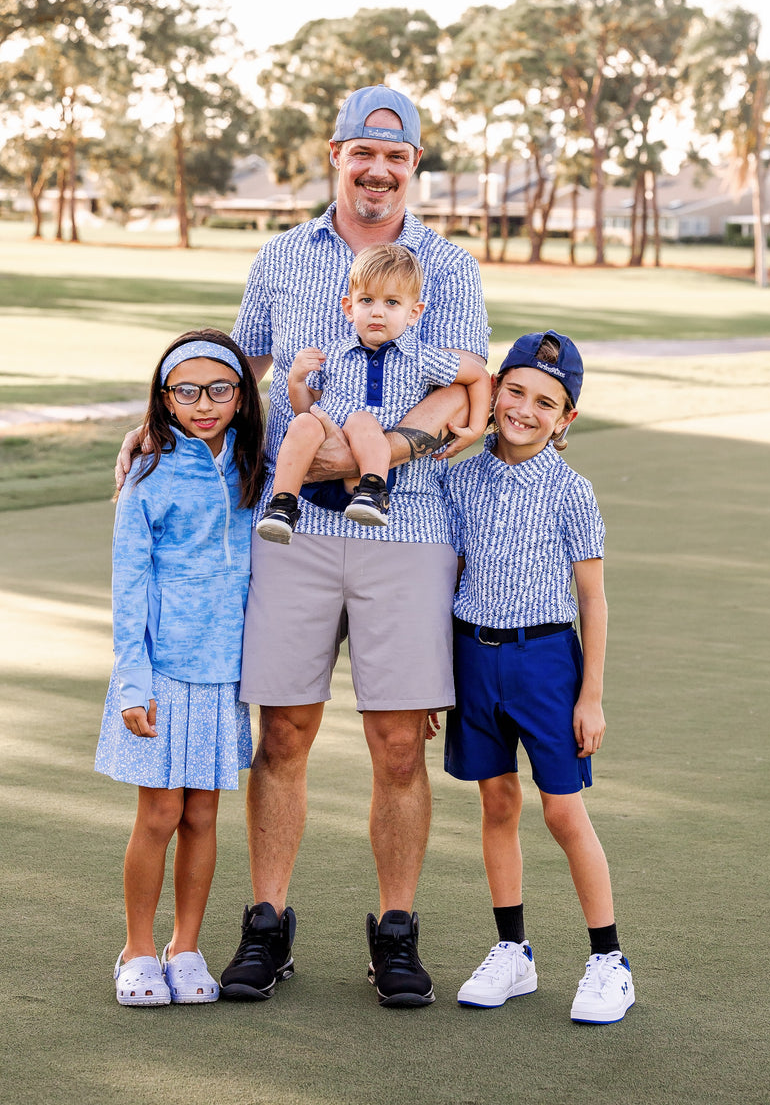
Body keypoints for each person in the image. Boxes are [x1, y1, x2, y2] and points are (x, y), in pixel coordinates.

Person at [114, 85, 489, 1008]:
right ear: (335, 154)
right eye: (364, 153)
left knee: (399, 744)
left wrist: (381, 454)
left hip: (404, 527)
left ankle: (394, 933)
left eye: (397, 159)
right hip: (288, 530)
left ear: (413, 167)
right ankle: (267, 927)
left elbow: (463, 400)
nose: (379, 170)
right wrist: (150, 423)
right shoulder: (284, 256)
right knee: (282, 732)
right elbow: (236, 369)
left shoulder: (448, 265)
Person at [444, 330, 635, 1023]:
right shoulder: (456, 476)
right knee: (497, 803)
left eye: (545, 402)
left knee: (561, 810)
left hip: (548, 664)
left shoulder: (570, 491)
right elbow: (451, 576)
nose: (524, 409)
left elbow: (593, 599)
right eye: (515, 391)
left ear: (566, 418)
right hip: (473, 658)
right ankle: (513, 953)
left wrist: (591, 696)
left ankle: (609, 960)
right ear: (494, 390)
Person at [97, 329, 265, 1007]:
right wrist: (133, 680)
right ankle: (138, 949)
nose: (204, 404)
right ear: (163, 400)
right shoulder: (148, 473)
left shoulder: (258, 462)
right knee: (161, 813)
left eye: (220, 389)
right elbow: (128, 584)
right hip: (160, 671)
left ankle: (185, 946)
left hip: (224, 673)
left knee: (202, 814)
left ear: (240, 396)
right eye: (186, 391)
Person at [256, 242, 490, 542]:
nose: (377, 312)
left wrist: (476, 427)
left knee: (361, 419)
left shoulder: (421, 357)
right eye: (367, 300)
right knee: (302, 424)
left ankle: (372, 495)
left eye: (392, 303)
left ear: (413, 313)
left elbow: (478, 376)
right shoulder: (335, 353)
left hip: (371, 470)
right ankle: (282, 506)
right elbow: (308, 410)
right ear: (349, 308)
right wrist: (297, 382)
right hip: (317, 471)